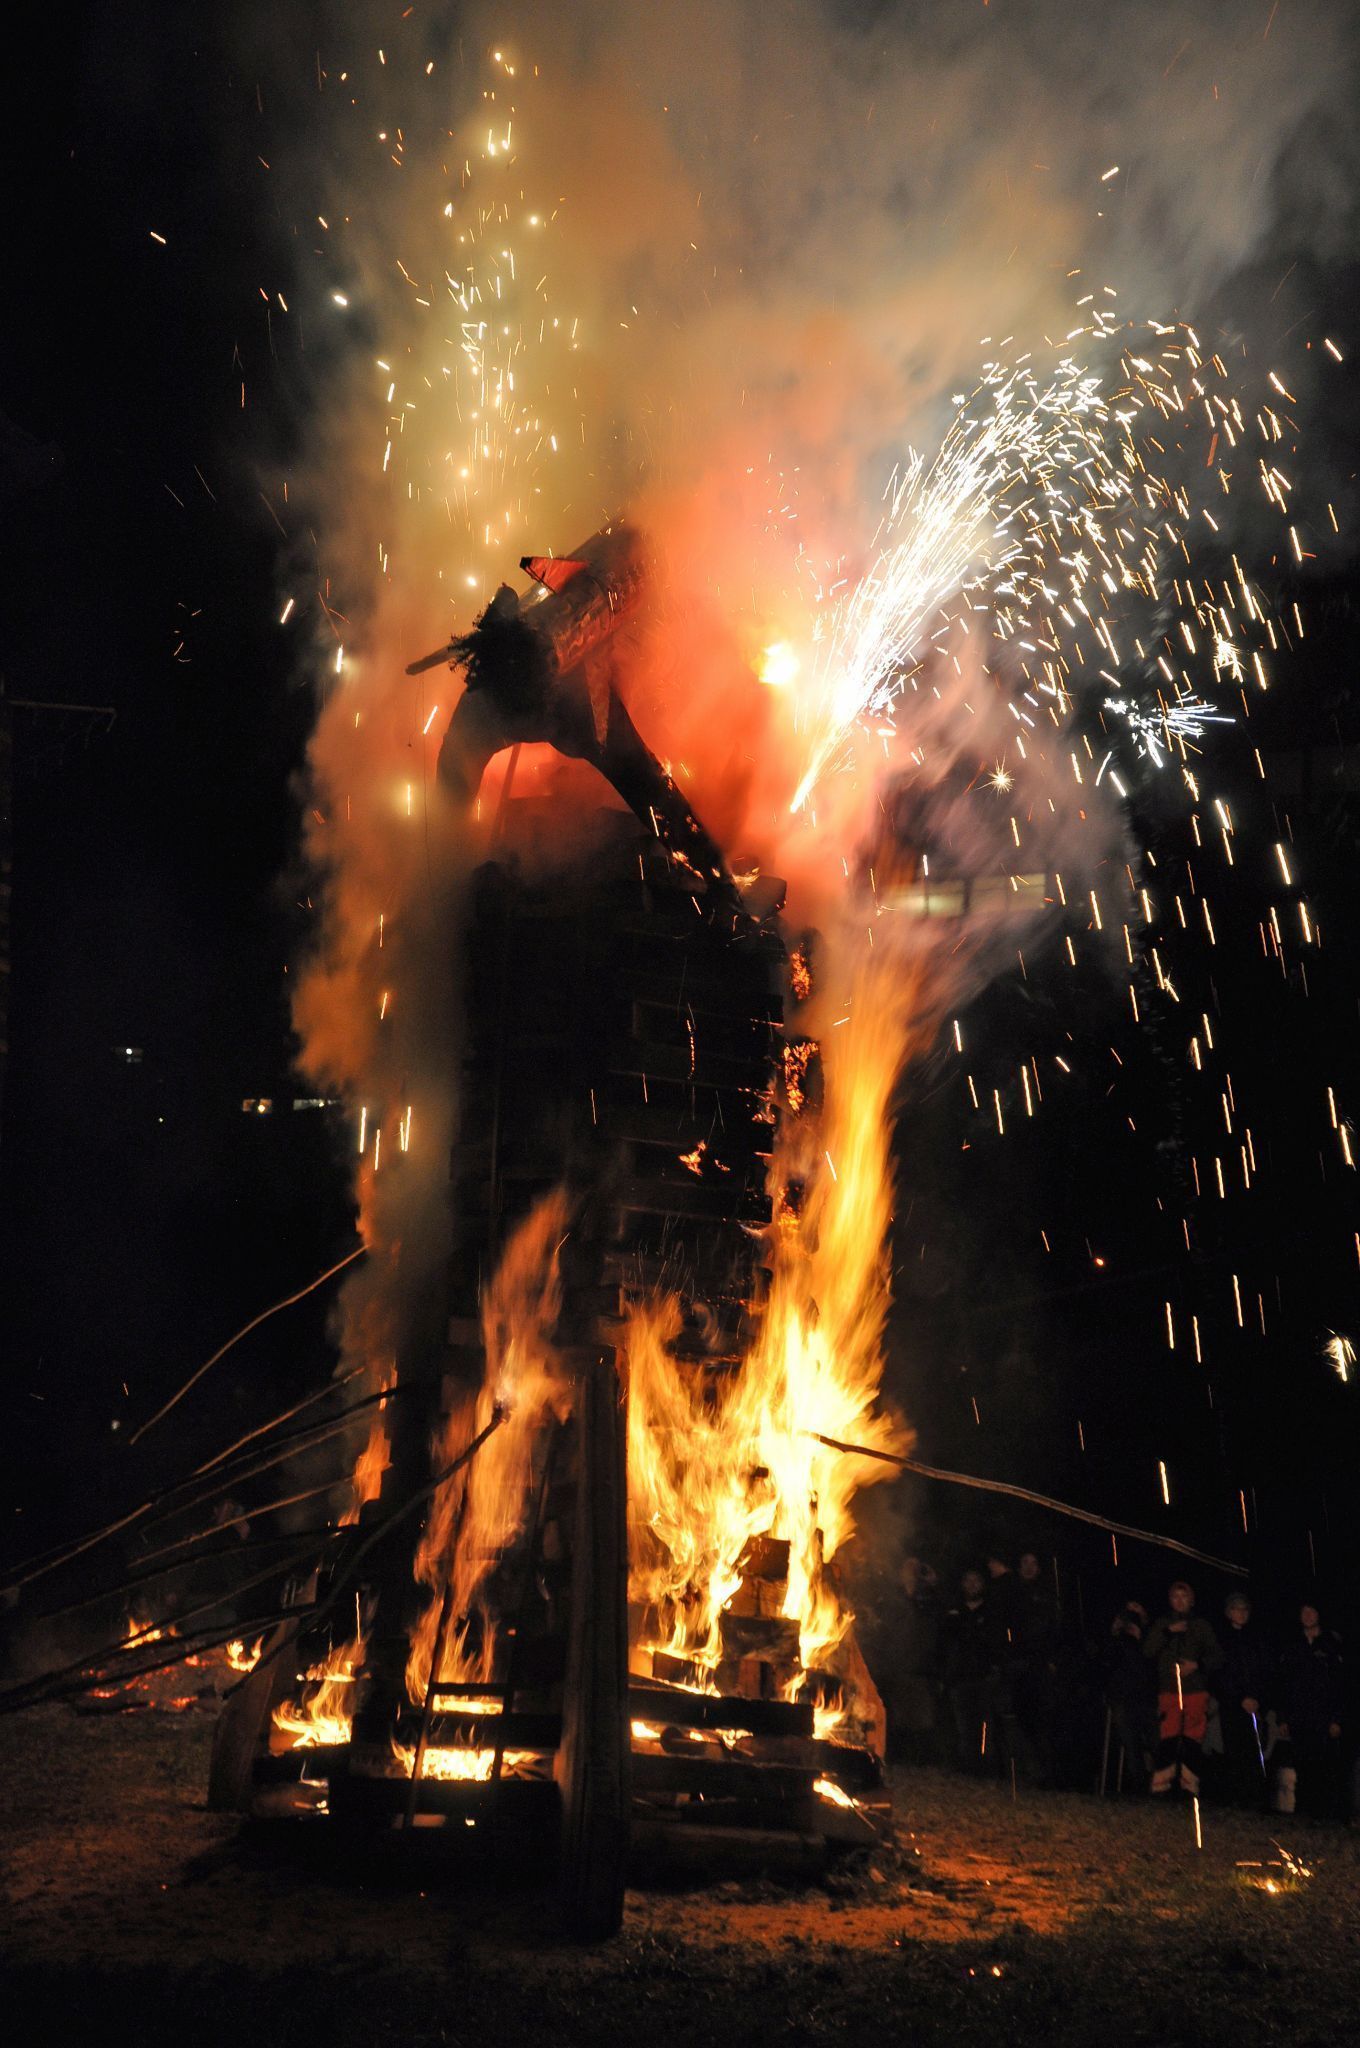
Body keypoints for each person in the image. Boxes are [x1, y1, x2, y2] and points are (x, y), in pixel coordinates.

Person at [1144, 1580, 1221, 1796]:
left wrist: (1197, 1665)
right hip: (1168, 1689)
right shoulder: (1162, 1624)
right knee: (1168, 1735)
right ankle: (1162, 1785)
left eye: (1184, 1596)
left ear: (1191, 1600)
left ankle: (1189, 1786)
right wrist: (1167, 1631)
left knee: (1192, 1738)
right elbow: (1148, 1651)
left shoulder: (1202, 1626)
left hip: (1195, 1689)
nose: (1179, 1601)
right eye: (1175, 1597)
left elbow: (1217, 1656)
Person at [1275, 1602, 1344, 1819]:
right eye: (1303, 1612)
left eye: (1312, 1611)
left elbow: (1342, 1685)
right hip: (1299, 1716)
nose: (1307, 1616)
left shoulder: (1332, 1643)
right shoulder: (1293, 1644)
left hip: (1324, 1717)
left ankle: (1325, 1813)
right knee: (1302, 1765)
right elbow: (1283, 1683)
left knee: (1325, 1765)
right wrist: (1283, 1718)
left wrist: (1337, 1719)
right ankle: (1302, 1812)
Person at [939, 1569, 1003, 1774]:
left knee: (986, 1724)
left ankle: (987, 1767)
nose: (973, 1584)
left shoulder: (991, 1611)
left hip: (984, 1675)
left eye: (977, 1580)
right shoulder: (954, 1610)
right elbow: (945, 1642)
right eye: (968, 1580)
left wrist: (995, 1667)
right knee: (963, 1725)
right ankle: (966, 1765)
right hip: (959, 1676)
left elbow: (996, 1642)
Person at [1005, 1550, 1060, 1785]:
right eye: (1024, 1562)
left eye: (1033, 1562)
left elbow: (1051, 1629)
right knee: (1018, 1717)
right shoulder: (1013, 1592)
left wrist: (1051, 1659)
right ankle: (1025, 1771)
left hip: (1039, 1665)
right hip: (1017, 1663)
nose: (1028, 1567)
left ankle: (1046, 1773)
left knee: (1041, 1720)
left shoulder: (1047, 1594)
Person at [1213, 1591, 1272, 1807]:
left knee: (1255, 1751)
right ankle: (1235, 1798)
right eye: (1237, 1608)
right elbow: (1221, 1674)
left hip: (1254, 1705)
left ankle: (1255, 1799)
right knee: (1234, 1749)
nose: (1241, 1613)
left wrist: (1257, 1698)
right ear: (1229, 1612)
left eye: (1245, 1609)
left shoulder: (1257, 1639)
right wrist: (1239, 1698)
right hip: (1232, 1704)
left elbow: (1266, 1672)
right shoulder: (1222, 1639)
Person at [1104, 1600, 1157, 1792]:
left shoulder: (1150, 1634)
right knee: (1131, 1745)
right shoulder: (1116, 1639)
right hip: (1122, 1697)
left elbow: (1152, 1659)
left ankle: (1160, 1787)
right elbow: (1105, 1661)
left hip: (1146, 1696)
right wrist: (1114, 1632)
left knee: (1155, 1743)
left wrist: (1141, 1636)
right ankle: (1139, 1788)